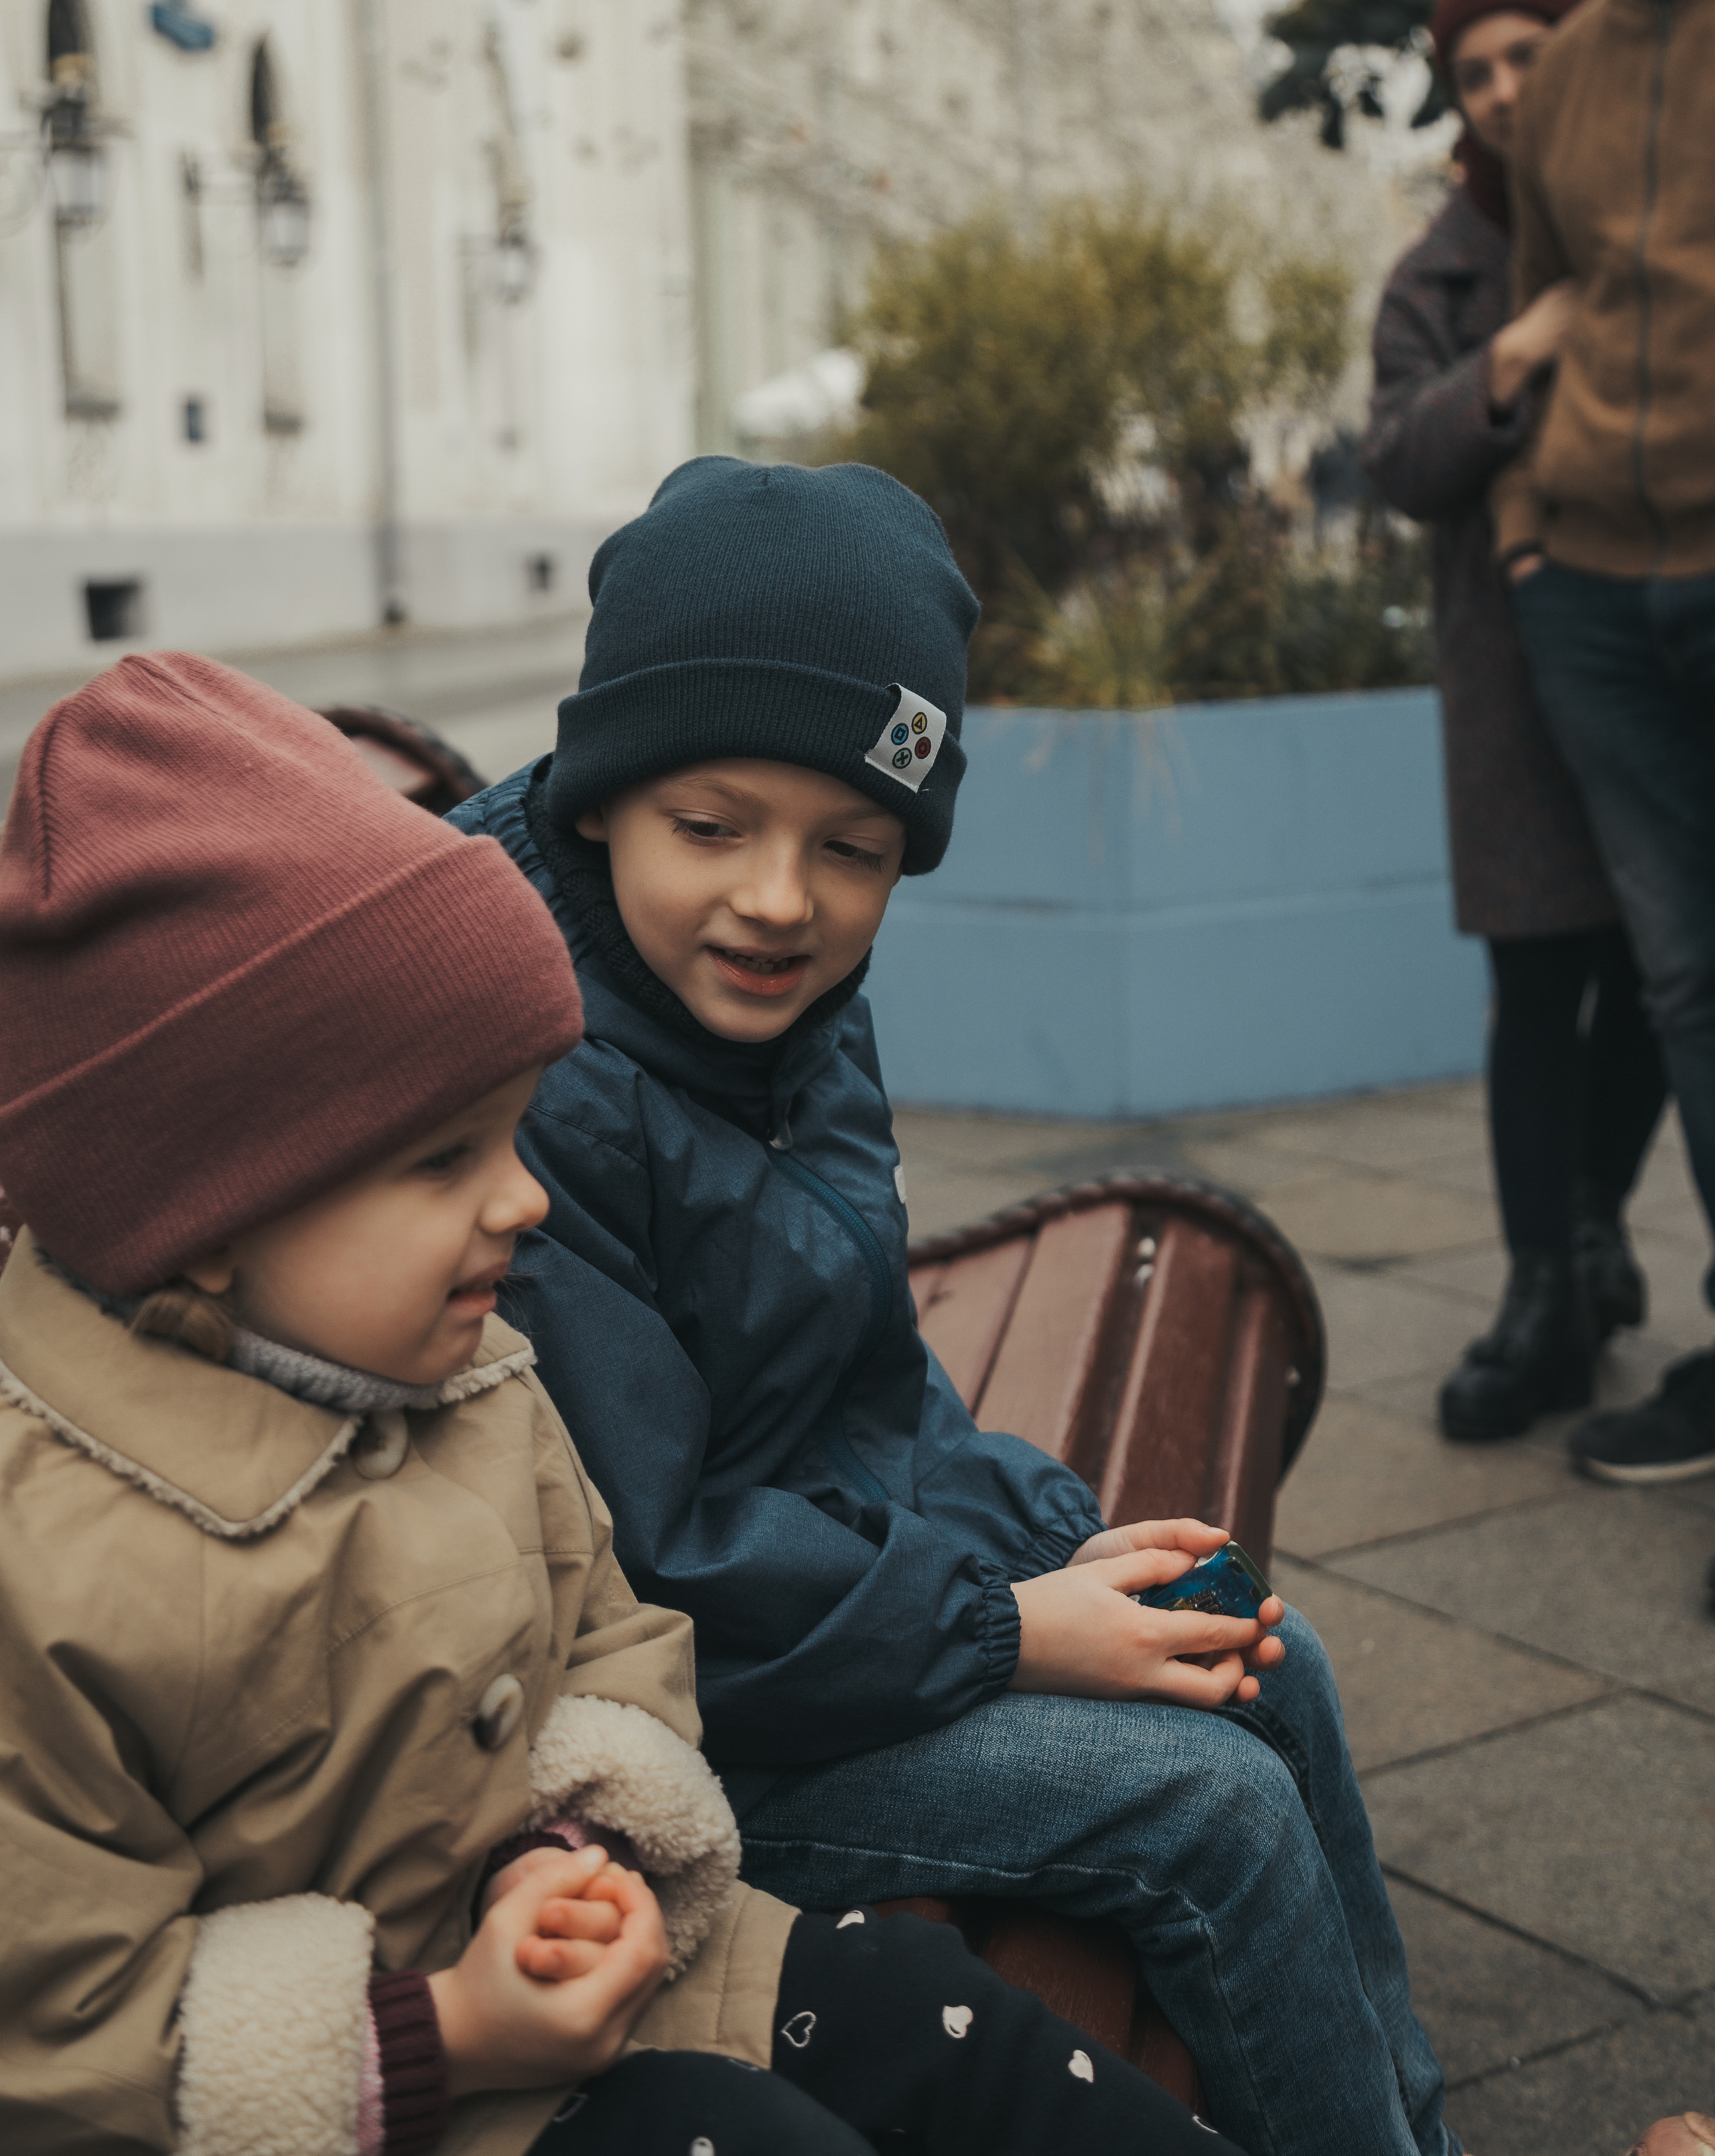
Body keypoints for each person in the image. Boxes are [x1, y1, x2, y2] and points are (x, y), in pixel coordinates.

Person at [0, 652, 1247, 2156]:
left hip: (628, 1959)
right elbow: (57, 2038)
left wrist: (573, 1847)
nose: (520, 1198)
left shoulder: (462, 1369)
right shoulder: (48, 1567)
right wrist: (449, 2029)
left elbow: (608, 1625)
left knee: (966, 2044)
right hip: (391, 2102)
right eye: (441, 1162)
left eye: (511, 1136)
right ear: (204, 1203)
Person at [452, 455, 1459, 2156]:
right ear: (602, 797)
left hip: (827, 1625)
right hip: (675, 1728)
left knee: (1256, 1651)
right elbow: (654, 1558)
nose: (780, 899)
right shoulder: (537, 1079)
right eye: (713, 826)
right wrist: (1006, 1627)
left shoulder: (780, 1001)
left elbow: (863, 1380)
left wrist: (1051, 1541)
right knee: (1203, 1803)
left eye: (852, 847)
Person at [1362, 0, 1667, 1443]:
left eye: (1523, 56)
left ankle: (1596, 1227)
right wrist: (1511, 354)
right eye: (1469, 70)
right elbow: (1396, 455)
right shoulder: (1442, 266)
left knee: (1656, 980)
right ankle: (1540, 1289)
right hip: (1512, 685)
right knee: (1538, 984)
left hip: (1661, 653)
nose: (1497, 90)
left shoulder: (1655, 206)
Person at [1489, 0, 1715, 1493]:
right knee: (1689, 992)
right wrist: (1525, 531)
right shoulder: (1560, 73)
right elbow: (1536, 311)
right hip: (1597, 603)